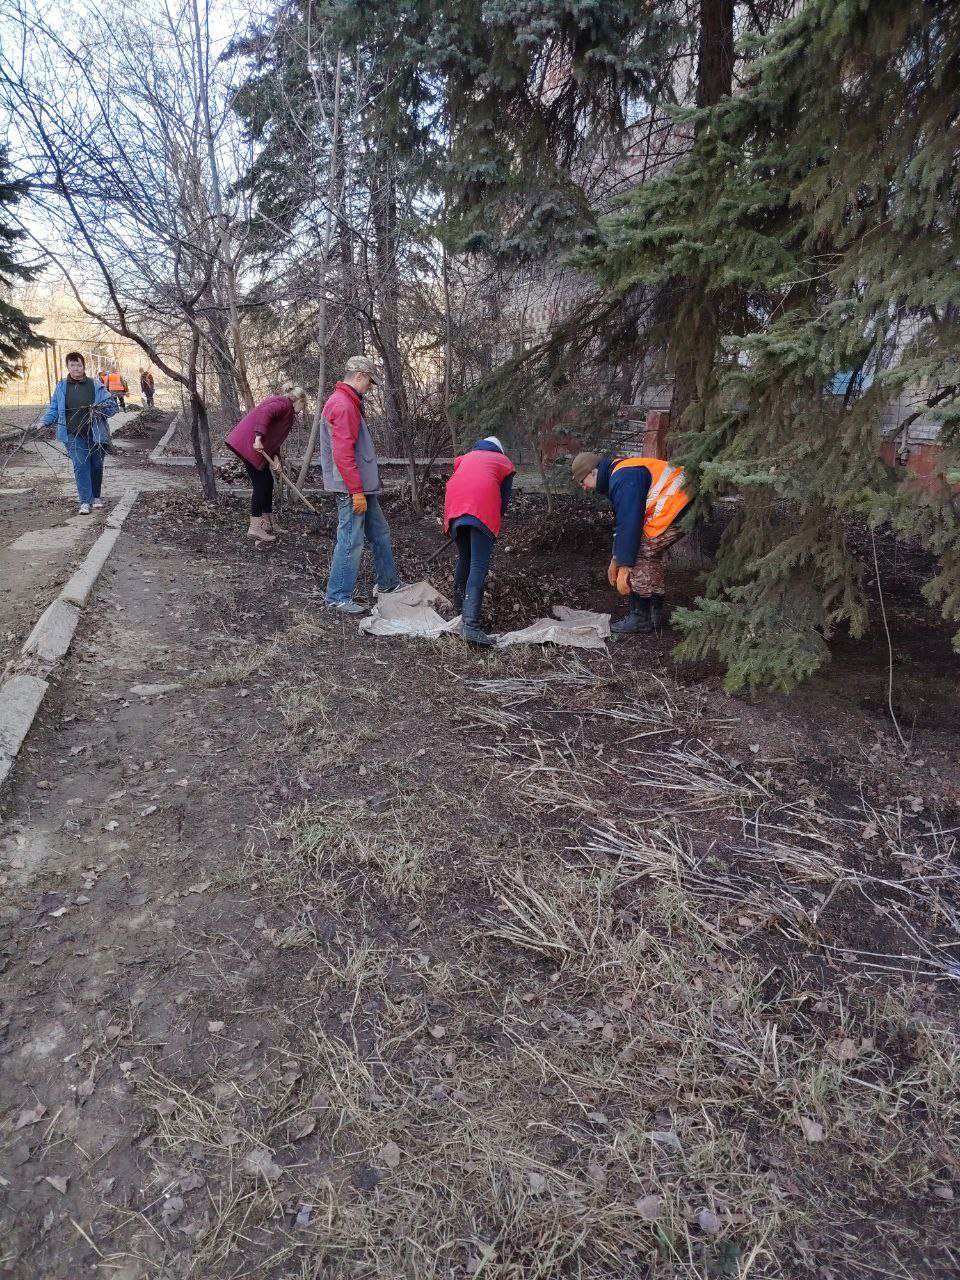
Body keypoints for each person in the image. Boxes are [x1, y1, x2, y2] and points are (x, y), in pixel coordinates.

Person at [319, 354, 404, 614]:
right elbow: (343, 454)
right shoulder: (343, 405)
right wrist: (356, 491)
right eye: (370, 381)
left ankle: (388, 583)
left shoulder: (347, 402)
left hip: (361, 487)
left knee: (379, 532)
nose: (370, 387)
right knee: (350, 540)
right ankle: (338, 596)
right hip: (351, 488)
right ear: (359, 376)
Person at [571, 450, 691, 634]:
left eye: (582, 481)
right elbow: (623, 523)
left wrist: (625, 567)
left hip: (678, 506)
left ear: (593, 472)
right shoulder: (620, 473)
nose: (584, 487)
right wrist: (616, 559)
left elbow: (630, 524)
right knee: (650, 553)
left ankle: (640, 618)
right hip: (683, 505)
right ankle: (653, 612)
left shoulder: (623, 477)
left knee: (640, 550)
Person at [443, 436, 515, 646]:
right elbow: (503, 503)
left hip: (455, 510)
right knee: (478, 564)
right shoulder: (503, 463)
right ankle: (471, 626)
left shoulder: (466, 459)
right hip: (481, 510)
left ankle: (458, 613)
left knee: (464, 558)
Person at [225, 383, 308, 543]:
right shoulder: (282, 403)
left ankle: (268, 522)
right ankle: (255, 527)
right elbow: (265, 413)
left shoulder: (289, 413)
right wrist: (257, 438)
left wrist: (276, 458)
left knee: (268, 482)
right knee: (261, 484)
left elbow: (274, 437)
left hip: (254, 447)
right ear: (299, 400)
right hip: (249, 445)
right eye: (304, 404)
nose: (303, 409)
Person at [41, 351, 120, 514]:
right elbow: (54, 408)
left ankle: (95, 496)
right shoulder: (61, 386)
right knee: (80, 464)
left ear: (84, 366)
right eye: (72, 365)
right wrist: (43, 421)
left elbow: (112, 407)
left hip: (96, 432)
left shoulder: (95, 384)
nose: (76, 368)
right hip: (72, 433)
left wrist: (100, 409)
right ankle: (85, 501)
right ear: (68, 367)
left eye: (79, 365)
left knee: (96, 465)